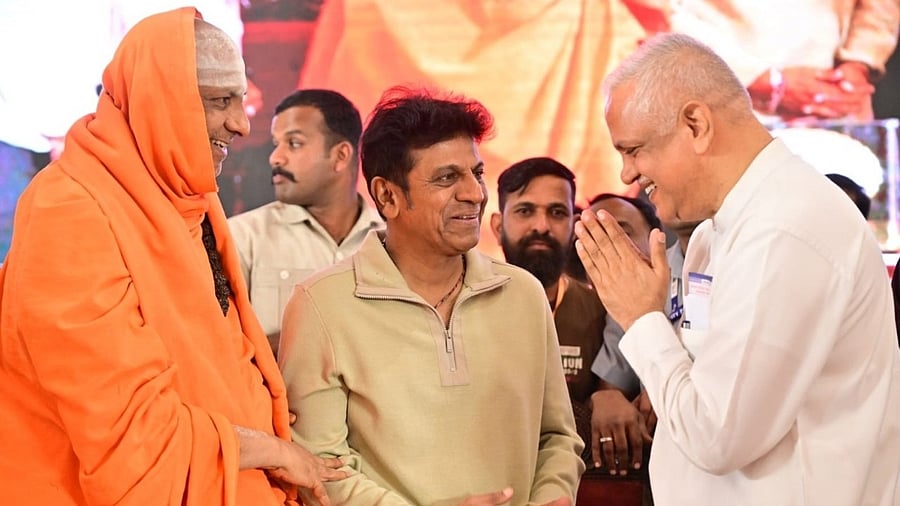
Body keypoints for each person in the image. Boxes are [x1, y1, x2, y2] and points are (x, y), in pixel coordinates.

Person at [0, 9, 344, 505]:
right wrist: (274, 450)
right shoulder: (69, 209)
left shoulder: (184, 194)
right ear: (157, 100)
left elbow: (222, 360)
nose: (240, 124)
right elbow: (128, 430)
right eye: (218, 101)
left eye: (240, 100)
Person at [575, 32, 900, 504]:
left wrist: (642, 319)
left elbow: (716, 435)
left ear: (695, 124)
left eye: (635, 148)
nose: (626, 173)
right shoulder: (723, 228)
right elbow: (706, 385)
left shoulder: (784, 230)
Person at [279, 87, 584, 505]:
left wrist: (553, 496)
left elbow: (557, 437)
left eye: (476, 173)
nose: (474, 193)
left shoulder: (523, 295)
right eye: (446, 178)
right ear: (387, 196)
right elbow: (319, 469)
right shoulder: (321, 305)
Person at [228, 89, 383, 354]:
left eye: (294, 143)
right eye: (276, 143)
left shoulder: (392, 243)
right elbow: (219, 353)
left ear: (341, 156)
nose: (275, 157)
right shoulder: (241, 238)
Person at [489, 157, 606, 463]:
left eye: (557, 212)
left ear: (574, 224)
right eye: (525, 211)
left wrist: (611, 394)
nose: (542, 226)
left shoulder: (602, 310)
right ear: (498, 225)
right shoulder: (460, 305)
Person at [667, 0, 900, 122]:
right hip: (722, 95)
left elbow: (880, 7)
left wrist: (857, 64)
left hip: (835, 102)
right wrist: (757, 79)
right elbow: (654, 12)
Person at [584, 193, 660, 478]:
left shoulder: (697, 278)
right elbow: (611, 390)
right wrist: (605, 399)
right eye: (592, 238)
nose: (606, 248)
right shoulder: (614, 310)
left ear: (656, 239)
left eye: (621, 234)